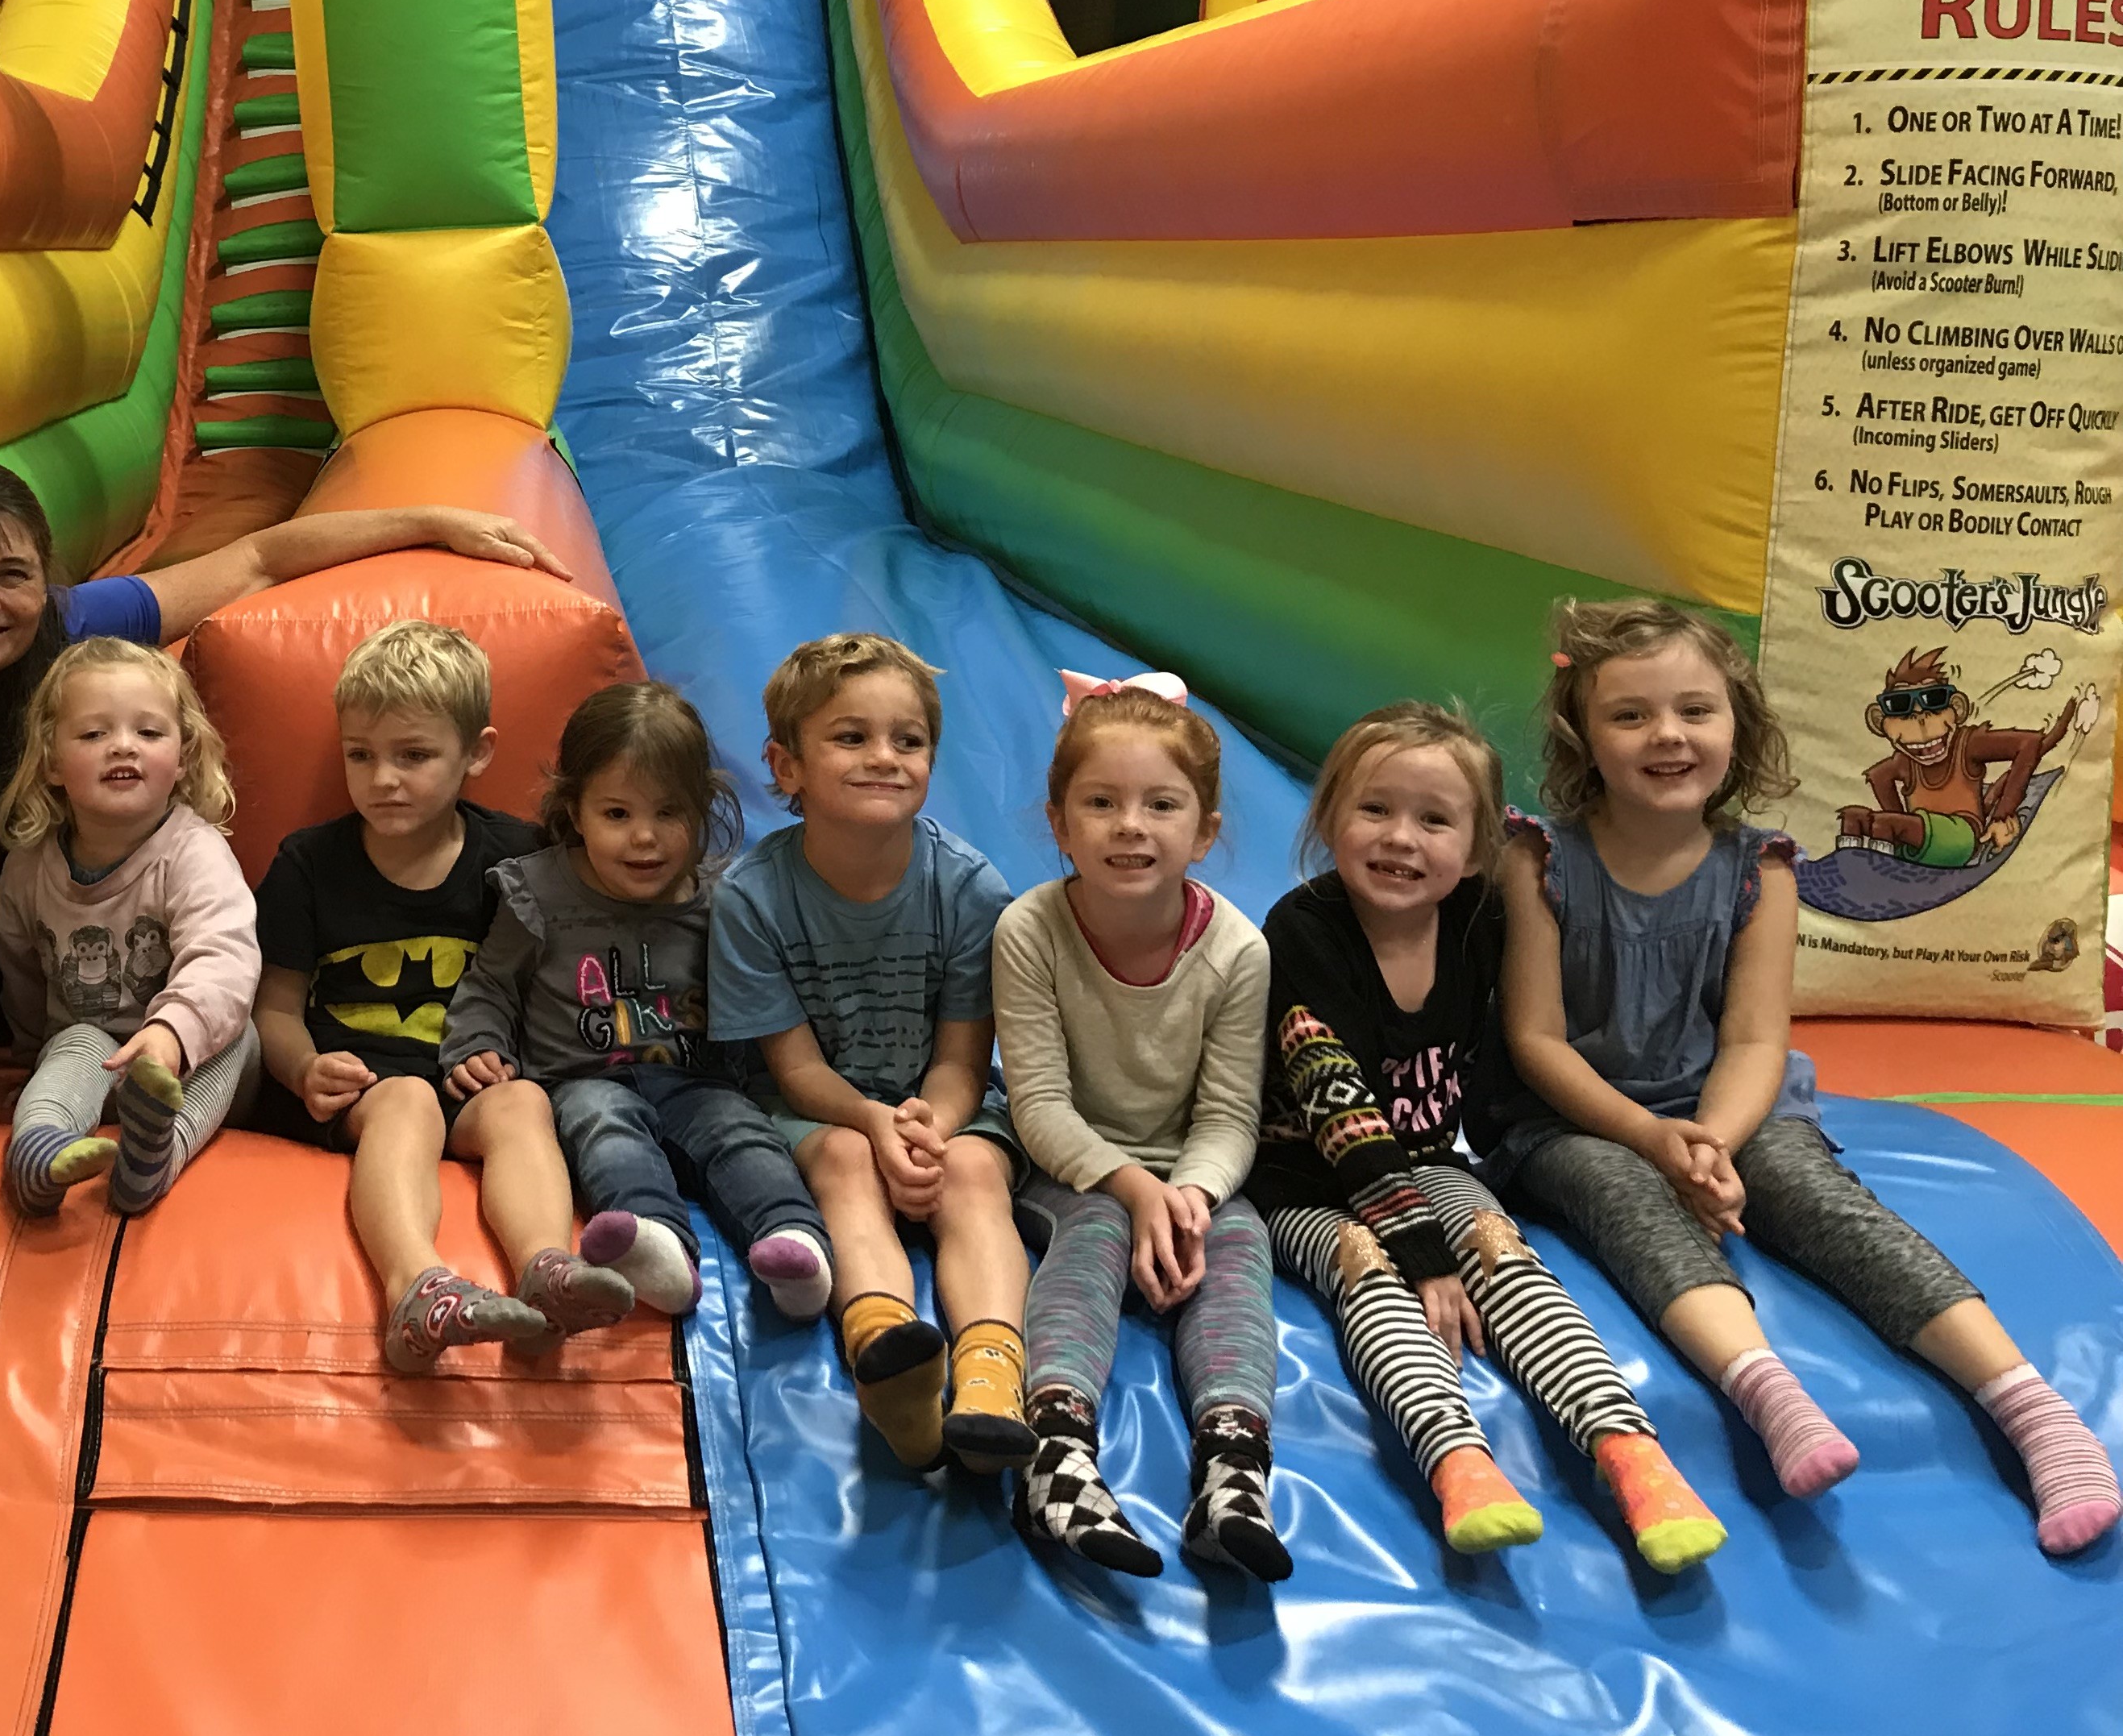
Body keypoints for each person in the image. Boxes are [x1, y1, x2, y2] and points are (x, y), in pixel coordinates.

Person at [1482, 597, 2119, 1556]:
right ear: (1584, 733)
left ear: (1737, 723)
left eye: (1695, 711)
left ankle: (2030, 1406)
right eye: (1632, 715)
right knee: (1617, 1191)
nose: (1668, 736)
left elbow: (1751, 1041)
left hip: (1725, 1103)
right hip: (1574, 1113)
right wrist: (1658, 1141)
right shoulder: (1540, 860)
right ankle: (1770, 1392)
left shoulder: (1761, 868)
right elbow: (1537, 1041)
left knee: (1812, 1192)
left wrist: (1715, 1142)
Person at [0, 458, 571, 1041]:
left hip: (30, 961)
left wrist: (434, 519)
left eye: (12, 576)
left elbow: (257, 559)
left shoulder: (65, 633)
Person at [1251, 702, 1723, 1572]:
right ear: (1327, 821)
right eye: (1375, 811)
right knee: (1370, 1274)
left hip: (1431, 1162)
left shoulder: (1477, 921)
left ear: (1474, 851)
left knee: (1502, 1251)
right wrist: (1423, 1256)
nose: (1402, 839)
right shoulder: (1303, 931)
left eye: (1434, 820)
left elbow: (1507, 1055)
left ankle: (1627, 1449)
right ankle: (1458, 1457)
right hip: (1302, 1177)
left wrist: (1472, 1219)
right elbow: (1342, 1117)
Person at [251, 620, 638, 1370]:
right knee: (408, 1099)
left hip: (467, 1077)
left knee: (524, 1104)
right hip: (362, 1086)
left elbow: (553, 987)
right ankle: (416, 1290)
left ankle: (548, 1274)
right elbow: (274, 1005)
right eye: (360, 756)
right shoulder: (309, 862)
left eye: (414, 756)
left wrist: (504, 1056)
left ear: (477, 753)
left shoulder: (519, 858)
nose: (384, 779)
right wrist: (304, 1070)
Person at [710, 634, 1035, 1476]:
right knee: (851, 1162)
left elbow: (964, 1057)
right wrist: (874, 1121)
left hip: (940, 1102)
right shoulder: (752, 897)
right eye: (851, 739)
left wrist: (933, 1124)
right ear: (786, 768)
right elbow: (794, 1071)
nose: (884, 758)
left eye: (908, 741)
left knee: (971, 1174)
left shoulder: (968, 888)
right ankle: (887, 1351)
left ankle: (994, 1377)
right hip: (825, 1110)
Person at [992, 673, 1285, 1580]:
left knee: (1239, 1242)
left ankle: (1233, 1470)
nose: (1130, 825)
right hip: (1074, 1165)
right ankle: (1058, 1450)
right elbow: (1038, 1107)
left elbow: (1231, 1114)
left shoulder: (1237, 950)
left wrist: (1190, 1197)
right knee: (1097, 1232)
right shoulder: (1030, 930)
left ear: (1203, 832)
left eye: (1162, 805)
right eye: (1102, 803)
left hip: (1185, 1166)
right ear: (1058, 822)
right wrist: (1132, 1187)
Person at [439, 683, 833, 1324]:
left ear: (703, 809)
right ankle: (658, 1245)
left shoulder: (720, 903)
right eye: (617, 815)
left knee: (742, 1135)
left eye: (668, 814)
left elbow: (763, 1000)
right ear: (576, 810)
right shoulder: (540, 891)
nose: (644, 839)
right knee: (606, 1129)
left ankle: (794, 1243)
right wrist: (477, 1047)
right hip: (582, 1081)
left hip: (694, 1080)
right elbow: (490, 985)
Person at [0, 638, 260, 1218]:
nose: (122, 747)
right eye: (93, 735)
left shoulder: (193, 851)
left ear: (184, 756)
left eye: (149, 733)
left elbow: (225, 958)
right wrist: (35, 1059)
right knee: (75, 1043)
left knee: (237, 1032)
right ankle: (39, 1154)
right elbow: (18, 970)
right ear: (52, 763)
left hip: (183, 1068)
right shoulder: (30, 867)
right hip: (95, 1059)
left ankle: (157, 1156)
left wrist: (169, 1037)